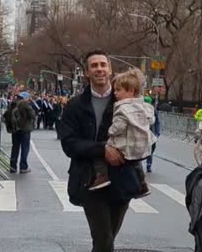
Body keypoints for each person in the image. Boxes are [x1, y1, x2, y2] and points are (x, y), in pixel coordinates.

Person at [60, 49, 142, 252]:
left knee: (107, 240)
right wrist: (102, 150)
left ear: (110, 70)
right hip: (90, 180)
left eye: (103, 65)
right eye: (94, 66)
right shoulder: (75, 106)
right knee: (103, 239)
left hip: (122, 178)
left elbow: (143, 138)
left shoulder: (126, 101)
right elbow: (69, 143)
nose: (99, 69)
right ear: (86, 73)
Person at [89, 68, 156, 198]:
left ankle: (101, 176)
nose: (115, 93)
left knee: (101, 151)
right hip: (141, 145)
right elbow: (151, 120)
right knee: (136, 163)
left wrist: (110, 131)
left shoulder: (122, 108)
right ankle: (142, 184)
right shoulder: (145, 106)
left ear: (130, 91)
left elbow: (119, 126)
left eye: (118, 90)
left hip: (124, 143)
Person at [3, 92, 35, 173]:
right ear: (25, 98)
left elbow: (6, 114)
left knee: (15, 148)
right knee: (25, 148)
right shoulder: (25, 104)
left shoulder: (12, 103)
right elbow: (32, 115)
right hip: (25, 129)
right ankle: (23, 167)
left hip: (15, 129)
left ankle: (12, 167)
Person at [144, 96, 160, 173]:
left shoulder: (153, 110)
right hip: (143, 132)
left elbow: (157, 122)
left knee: (151, 149)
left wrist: (157, 132)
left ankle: (148, 165)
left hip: (151, 133)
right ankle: (147, 164)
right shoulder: (140, 109)